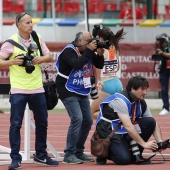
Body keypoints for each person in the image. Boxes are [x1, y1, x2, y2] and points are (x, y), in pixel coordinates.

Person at [0, 12, 59, 170]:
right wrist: (12, 61)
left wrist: (41, 59)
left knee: (42, 123)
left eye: (31, 22)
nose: (30, 25)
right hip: (19, 89)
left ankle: (41, 155)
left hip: (38, 88)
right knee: (15, 125)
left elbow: (49, 56)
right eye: (27, 23)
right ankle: (15, 158)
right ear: (18, 24)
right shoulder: (10, 43)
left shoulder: (37, 39)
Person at [55, 30, 104, 164]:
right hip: (67, 89)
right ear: (80, 41)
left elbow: (99, 65)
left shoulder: (88, 50)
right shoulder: (68, 51)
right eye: (88, 41)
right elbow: (77, 63)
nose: (91, 44)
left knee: (87, 120)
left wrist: (99, 54)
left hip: (81, 89)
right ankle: (68, 154)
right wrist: (90, 50)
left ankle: (78, 151)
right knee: (77, 118)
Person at [95, 75, 165, 165]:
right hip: (108, 130)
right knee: (124, 159)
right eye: (142, 89)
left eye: (146, 89)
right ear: (132, 89)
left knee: (150, 122)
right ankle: (102, 153)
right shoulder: (120, 100)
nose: (145, 92)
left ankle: (136, 154)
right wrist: (144, 144)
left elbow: (153, 122)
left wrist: (160, 142)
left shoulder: (141, 102)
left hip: (123, 130)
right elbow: (128, 126)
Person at [91, 27, 126, 119]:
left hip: (105, 84)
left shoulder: (101, 50)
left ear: (101, 38)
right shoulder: (115, 48)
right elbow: (117, 67)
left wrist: (98, 81)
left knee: (90, 113)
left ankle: (110, 117)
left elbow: (98, 67)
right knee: (114, 109)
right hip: (117, 83)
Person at [156, 33, 170, 115]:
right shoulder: (160, 47)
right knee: (164, 89)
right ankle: (166, 107)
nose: (162, 44)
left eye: (162, 42)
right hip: (164, 68)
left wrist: (162, 53)